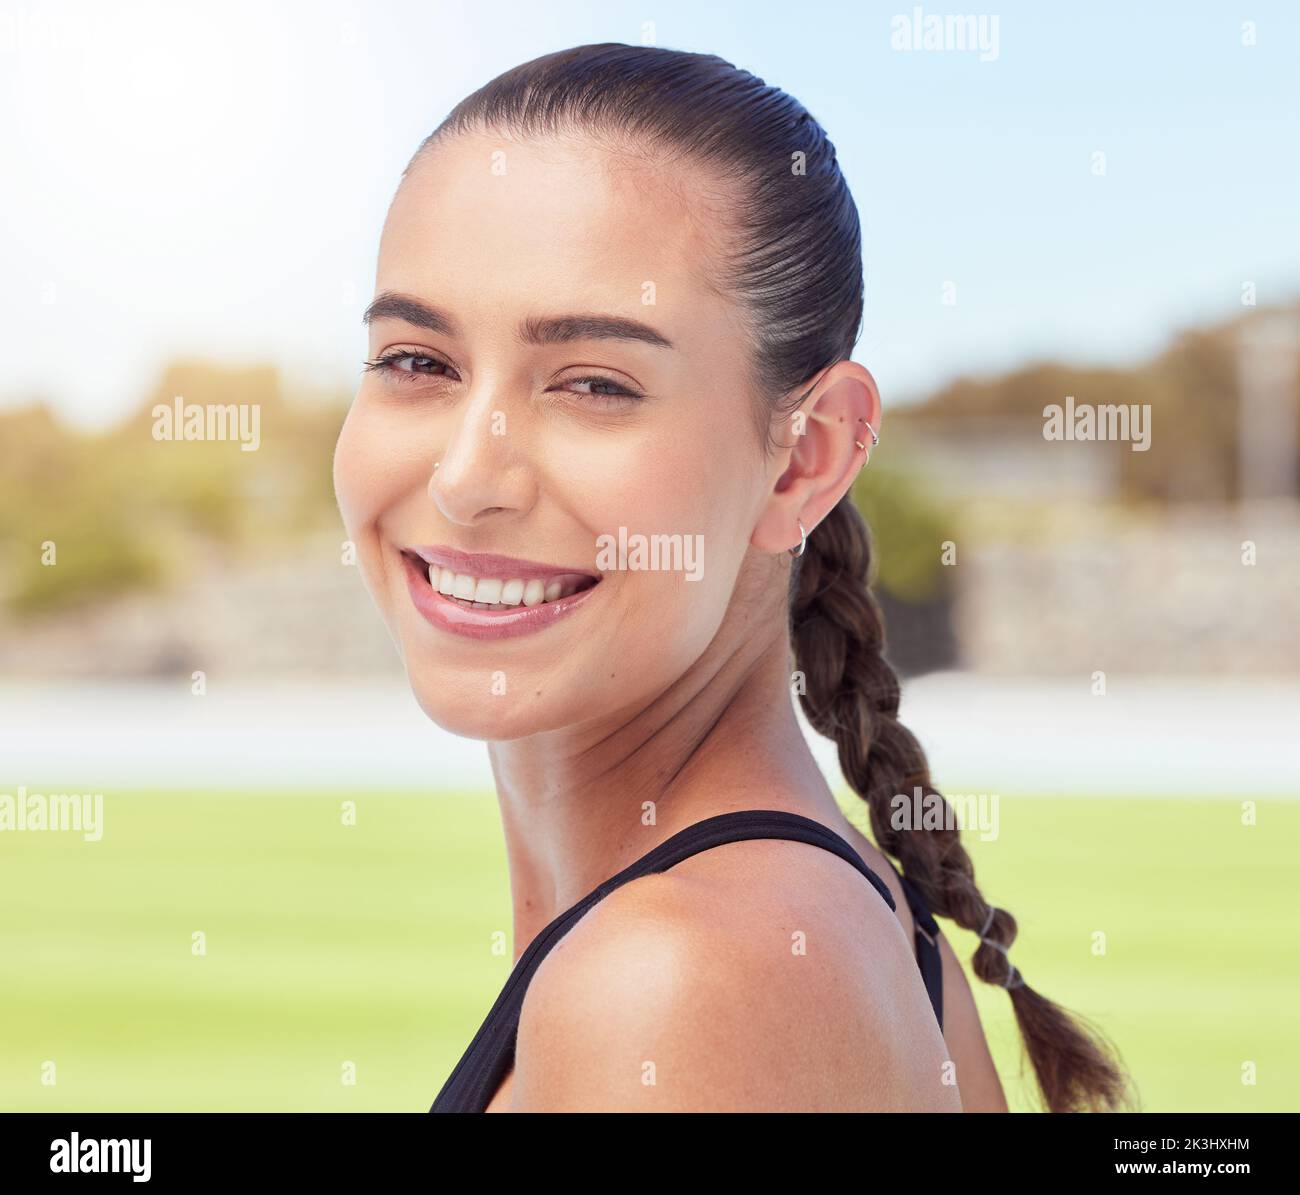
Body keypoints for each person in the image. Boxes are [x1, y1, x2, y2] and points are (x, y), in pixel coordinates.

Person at [333, 42, 1132, 1113]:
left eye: (595, 383)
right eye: (416, 361)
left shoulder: (678, 981)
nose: (467, 476)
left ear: (804, 456)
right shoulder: (856, 934)